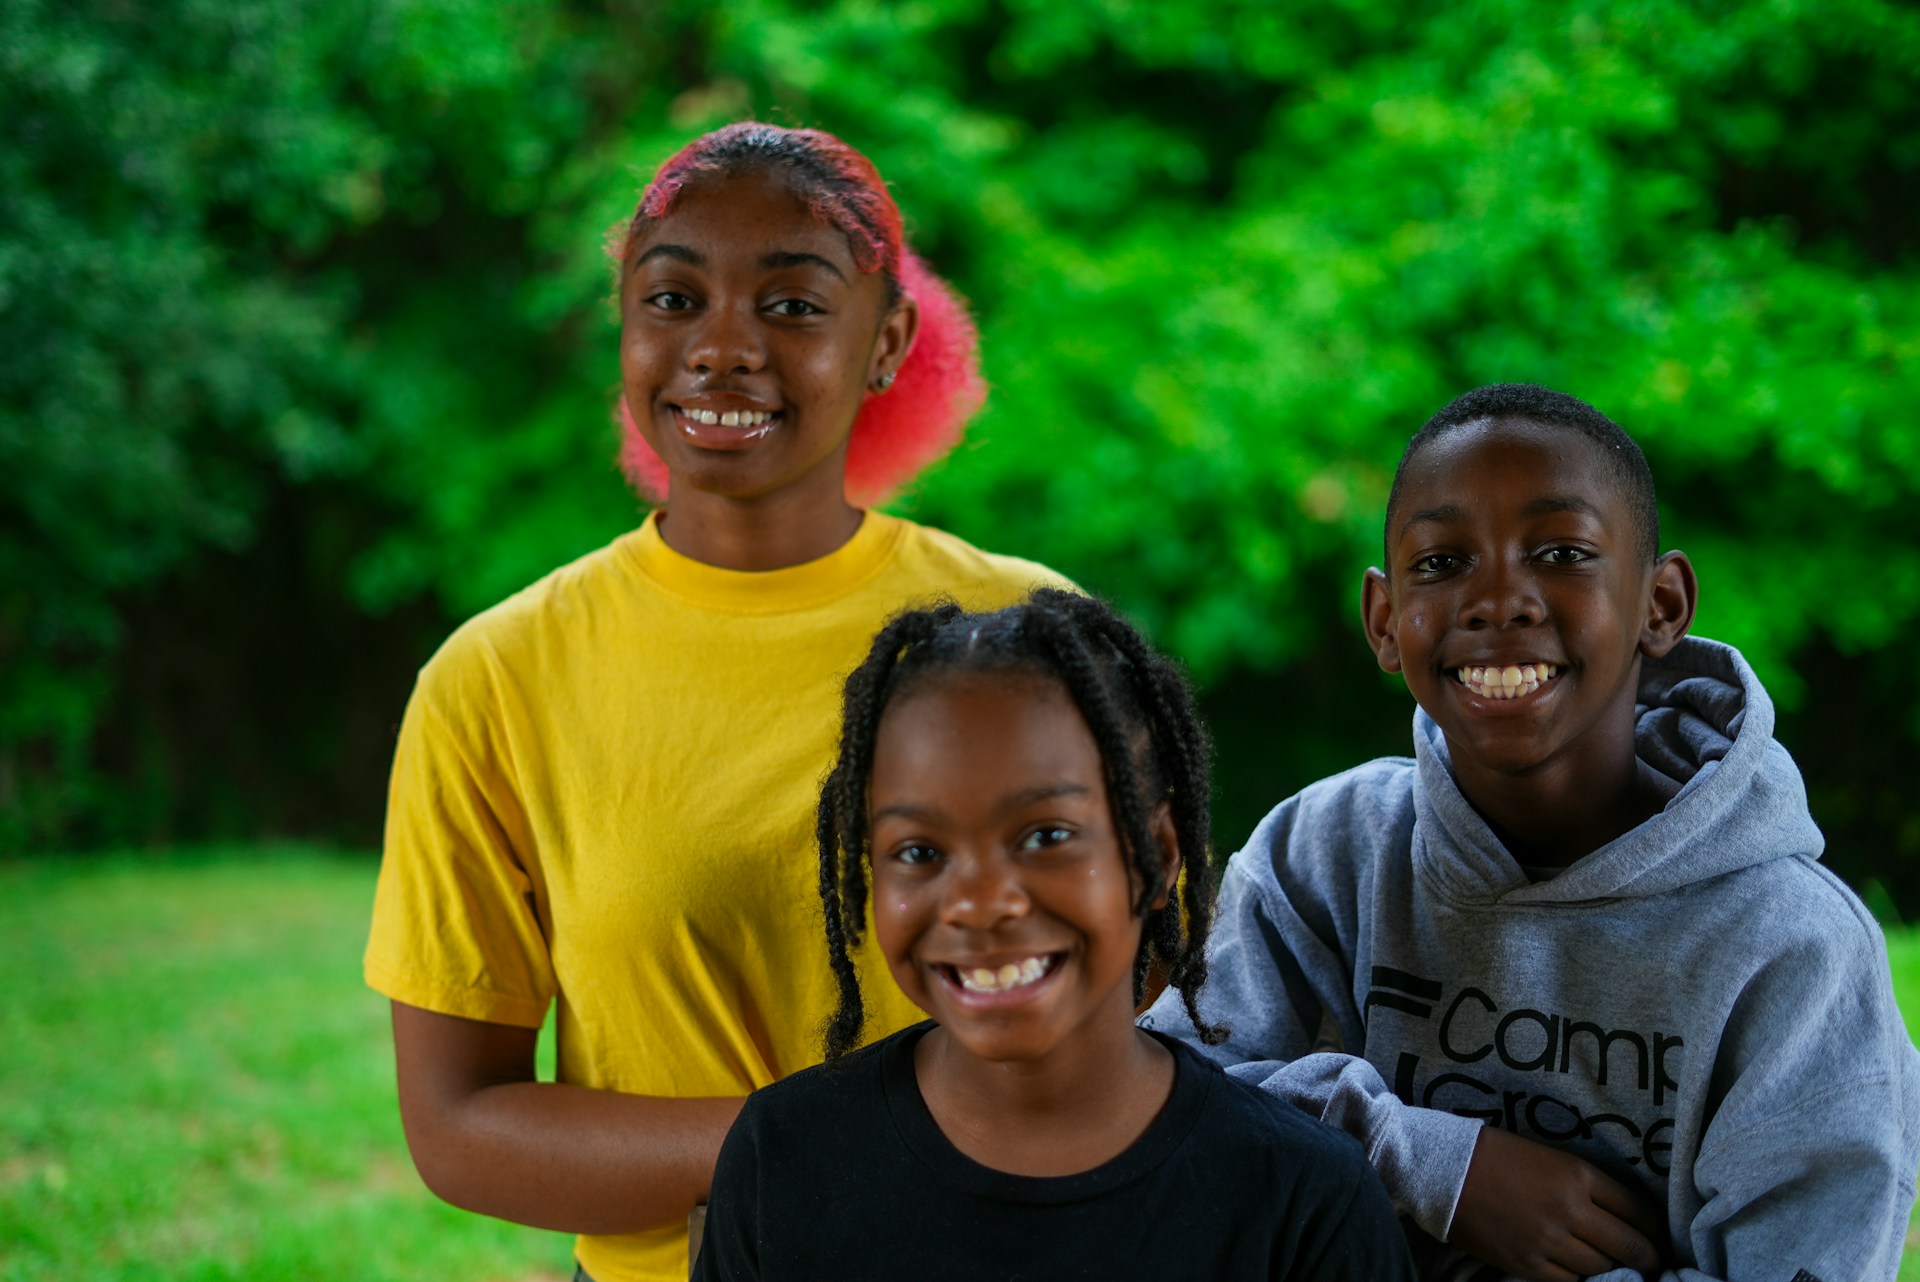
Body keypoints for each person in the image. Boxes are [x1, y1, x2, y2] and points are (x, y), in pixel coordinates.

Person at [363, 122, 1071, 1282]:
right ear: (627, 329)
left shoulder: (1031, 630)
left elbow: (1147, 999)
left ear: (887, 340)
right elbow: (458, 1122)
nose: (723, 348)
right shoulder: (496, 677)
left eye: (792, 306)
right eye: (674, 299)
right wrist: (815, 1146)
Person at [1144, 384, 1920, 1282]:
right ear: (1385, 620)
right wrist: (1442, 1167)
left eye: (1561, 552)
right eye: (1441, 563)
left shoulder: (1794, 951)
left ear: (1660, 604)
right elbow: (1162, 1103)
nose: (1500, 599)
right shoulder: (1330, 851)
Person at [691, 590, 1419, 1281]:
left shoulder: (1301, 1202)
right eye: (920, 851)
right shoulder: (785, 1157)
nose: (979, 903)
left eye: (1045, 836)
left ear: (1157, 857)